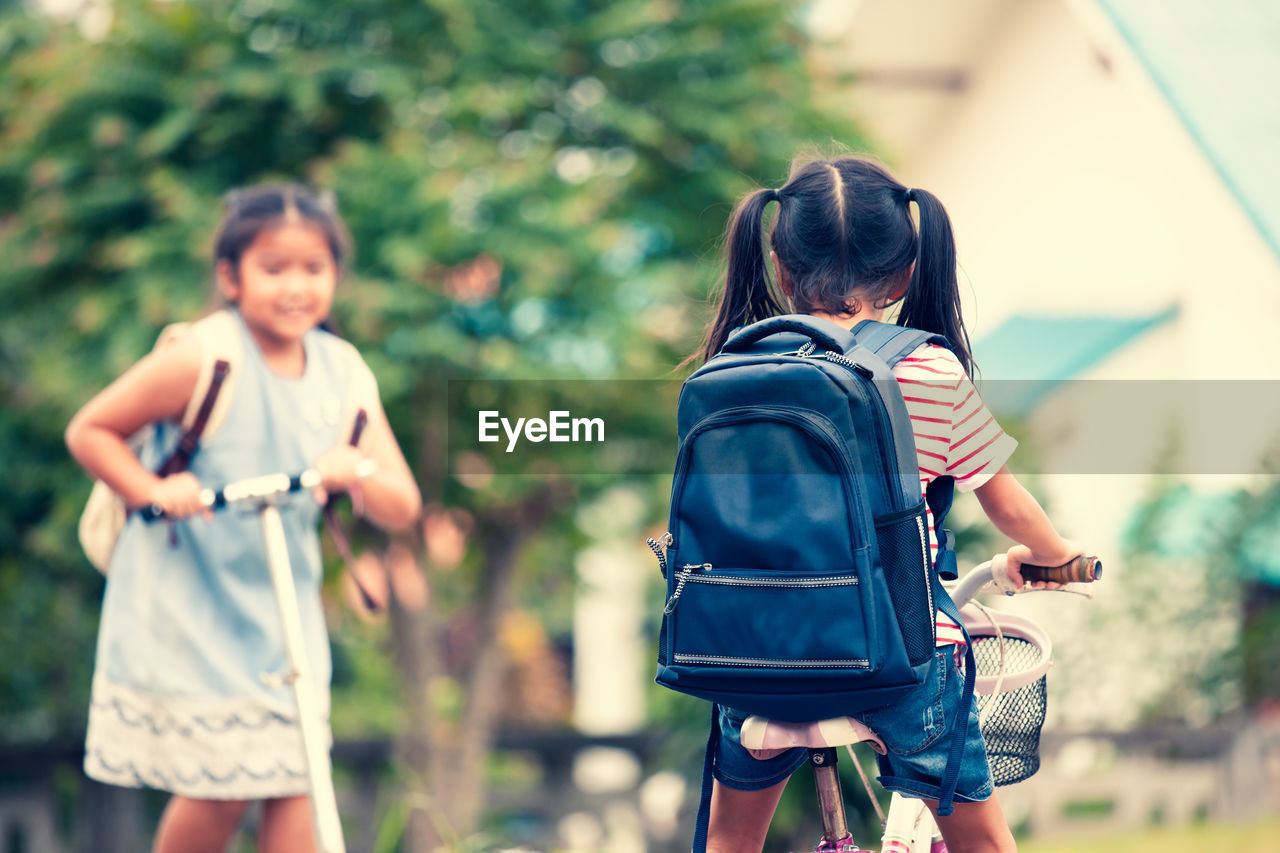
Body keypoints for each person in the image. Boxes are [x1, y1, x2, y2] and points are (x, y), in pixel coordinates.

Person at [692, 155, 1082, 853]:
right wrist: (1055, 558)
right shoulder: (930, 371)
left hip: (757, 659)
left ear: (779, 264)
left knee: (727, 841)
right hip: (899, 659)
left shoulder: (731, 370)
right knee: (986, 844)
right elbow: (1008, 503)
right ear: (905, 273)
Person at [65, 183, 422, 853]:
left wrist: (356, 471)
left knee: (299, 780)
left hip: (282, 618)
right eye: (274, 267)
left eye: (313, 268)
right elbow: (91, 430)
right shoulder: (205, 356)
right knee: (221, 791)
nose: (296, 286)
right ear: (231, 276)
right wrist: (151, 487)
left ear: (335, 276)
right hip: (192, 609)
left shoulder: (341, 371)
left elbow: (403, 503)